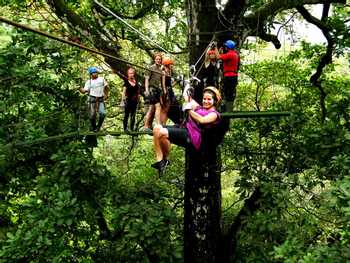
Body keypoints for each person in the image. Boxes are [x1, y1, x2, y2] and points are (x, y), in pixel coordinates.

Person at [152, 86, 222, 172]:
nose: (206, 101)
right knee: (156, 129)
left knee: (162, 132)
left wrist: (189, 110)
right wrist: (187, 85)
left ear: (214, 101)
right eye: (204, 99)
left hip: (193, 138)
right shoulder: (199, 107)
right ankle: (161, 160)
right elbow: (186, 96)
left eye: (209, 99)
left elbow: (202, 120)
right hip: (185, 130)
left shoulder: (214, 114)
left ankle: (163, 160)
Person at [80, 66, 109, 132]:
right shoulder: (89, 82)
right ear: (91, 74)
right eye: (93, 73)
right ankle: (94, 127)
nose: (95, 74)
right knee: (92, 116)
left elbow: (106, 87)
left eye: (96, 72)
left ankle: (98, 127)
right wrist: (80, 89)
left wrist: (106, 95)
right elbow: (84, 91)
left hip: (100, 99)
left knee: (103, 114)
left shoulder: (101, 79)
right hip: (92, 99)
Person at [214, 40, 240, 112]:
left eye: (225, 46)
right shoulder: (234, 54)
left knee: (227, 93)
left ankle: (228, 110)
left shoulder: (230, 54)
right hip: (233, 76)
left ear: (227, 47)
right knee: (230, 93)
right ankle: (228, 109)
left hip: (229, 76)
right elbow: (223, 58)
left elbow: (218, 57)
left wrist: (215, 47)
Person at [142, 53, 164, 132]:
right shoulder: (151, 68)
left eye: (160, 59)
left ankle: (146, 126)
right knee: (158, 107)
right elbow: (147, 79)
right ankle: (158, 124)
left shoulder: (161, 70)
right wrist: (147, 89)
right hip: (151, 89)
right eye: (157, 59)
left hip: (157, 90)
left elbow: (161, 82)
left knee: (151, 108)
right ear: (155, 60)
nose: (158, 60)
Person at [121, 67, 141, 132]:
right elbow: (123, 92)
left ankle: (132, 128)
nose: (131, 74)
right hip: (128, 101)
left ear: (134, 74)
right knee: (126, 115)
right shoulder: (126, 82)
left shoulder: (136, 83)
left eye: (132, 73)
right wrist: (122, 101)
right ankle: (125, 129)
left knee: (133, 115)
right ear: (128, 74)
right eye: (130, 73)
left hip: (135, 101)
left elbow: (138, 93)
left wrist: (139, 100)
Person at [160, 57, 175, 125]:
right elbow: (163, 83)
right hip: (165, 90)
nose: (172, 66)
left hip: (169, 89)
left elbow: (170, 84)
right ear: (167, 64)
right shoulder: (163, 71)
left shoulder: (169, 71)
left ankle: (164, 124)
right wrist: (165, 91)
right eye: (170, 64)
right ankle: (161, 124)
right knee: (164, 108)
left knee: (167, 109)